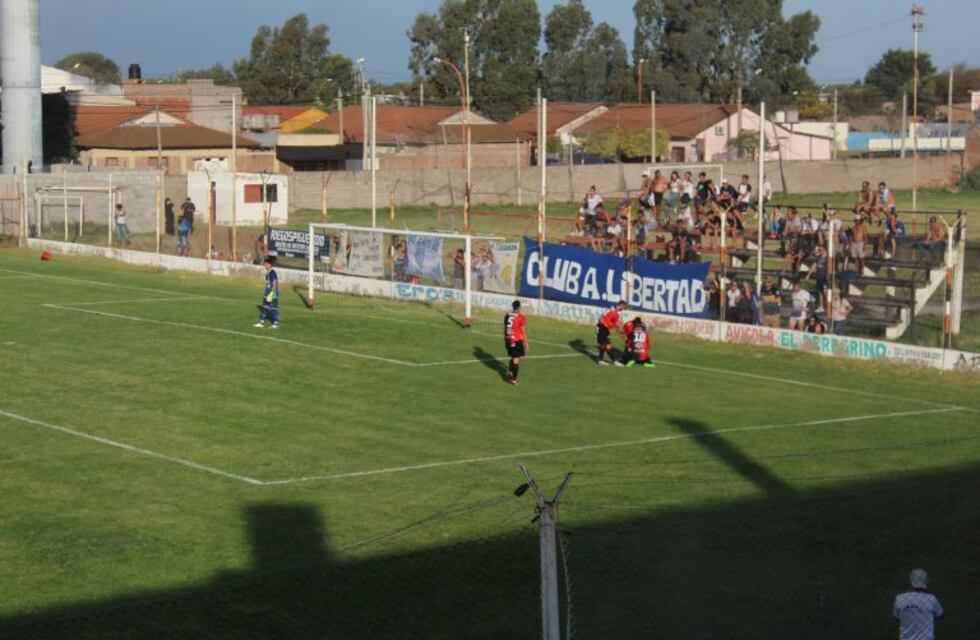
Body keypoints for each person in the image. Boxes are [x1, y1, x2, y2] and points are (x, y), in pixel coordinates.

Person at [893, 568, 943, 640]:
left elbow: (896, 617)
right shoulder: (931, 599)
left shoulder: (900, 598)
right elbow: (940, 615)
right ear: (926, 581)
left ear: (911, 581)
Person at [503, 300, 528, 385]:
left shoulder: (507, 315)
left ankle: (510, 372)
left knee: (514, 357)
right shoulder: (520, 317)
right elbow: (523, 331)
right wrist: (526, 343)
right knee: (516, 359)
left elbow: (505, 328)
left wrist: (506, 338)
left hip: (508, 340)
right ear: (519, 307)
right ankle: (513, 379)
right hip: (516, 340)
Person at [595, 300, 627, 365]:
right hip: (602, 328)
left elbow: (603, 317)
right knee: (608, 346)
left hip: (602, 327)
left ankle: (600, 360)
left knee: (603, 345)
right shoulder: (615, 313)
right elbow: (617, 325)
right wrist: (622, 333)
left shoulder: (610, 308)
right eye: (623, 308)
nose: (622, 310)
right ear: (620, 305)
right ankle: (615, 361)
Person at [254, 257, 279, 328]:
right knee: (264, 307)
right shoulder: (268, 273)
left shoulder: (272, 273)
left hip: (272, 293)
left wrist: (272, 294)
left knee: (274, 308)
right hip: (267, 292)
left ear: (269, 265)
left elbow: (274, 283)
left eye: (266, 264)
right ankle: (261, 323)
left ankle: (275, 324)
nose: (264, 265)